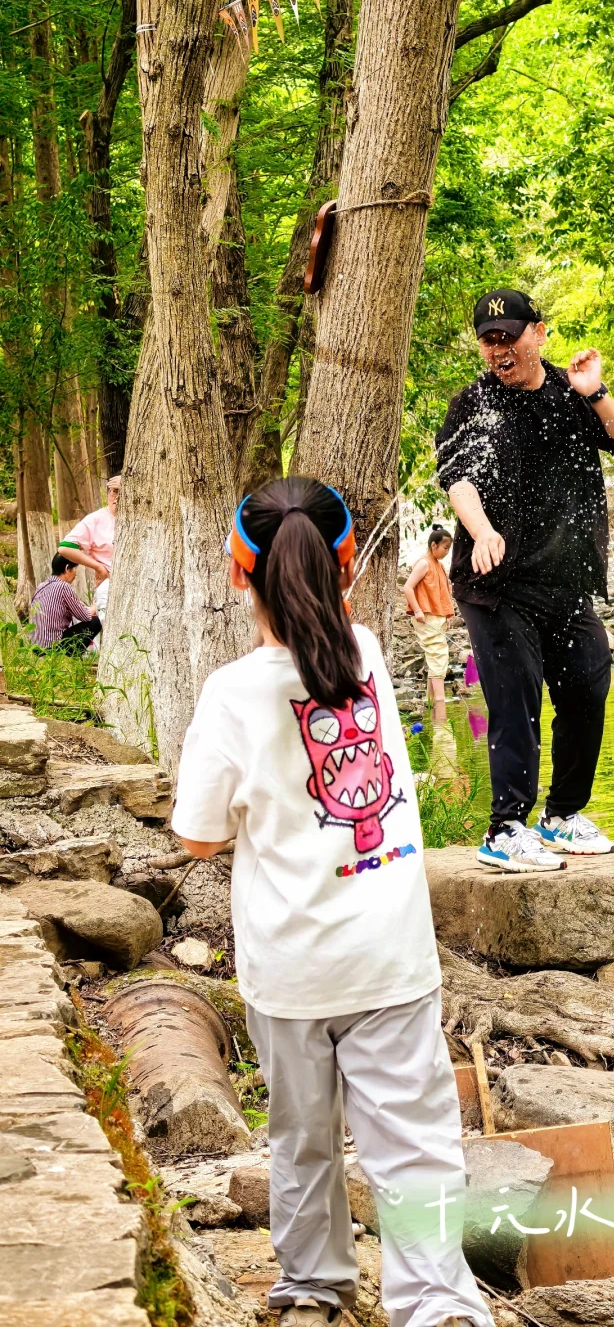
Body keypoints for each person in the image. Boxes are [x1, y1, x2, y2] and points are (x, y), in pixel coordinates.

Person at [170, 476, 493, 1327]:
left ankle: (313, 1291)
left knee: (302, 1141)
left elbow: (198, 835)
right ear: (345, 568)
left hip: (292, 965)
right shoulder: (370, 655)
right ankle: (436, 1306)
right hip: (389, 954)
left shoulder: (231, 693)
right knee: (415, 1147)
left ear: (240, 576)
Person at [435, 289, 614, 873]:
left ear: (540, 333)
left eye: (509, 336)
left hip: (567, 582)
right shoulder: (473, 406)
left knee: (586, 687)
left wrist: (596, 392)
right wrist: (479, 532)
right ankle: (506, 828)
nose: (499, 350)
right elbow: (457, 479)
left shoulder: (571, 394)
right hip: (495, 584)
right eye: (489, 339)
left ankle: (562, 817)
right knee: (516, 697)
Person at [403, 525, 454, 712]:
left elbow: (442, 593)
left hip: (437, 616)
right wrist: (417, 610)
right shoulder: (424, 563)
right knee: (438, 655)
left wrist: (447, 615)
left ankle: (432, 702)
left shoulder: (439, 566)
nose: (447, 552)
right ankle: (439, 701)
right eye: (445, 548)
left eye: (449, 549)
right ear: (434, 545)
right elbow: (408, 587)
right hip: (426, 616)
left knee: (438, 656)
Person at [58, 473, 121, 620]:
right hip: (109, 586)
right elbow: (65, 548)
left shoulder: (142, 517)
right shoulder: (97, 519)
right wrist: (98, 567)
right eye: (115, 491)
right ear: (108, 493)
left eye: (123, 491)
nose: (117, 497)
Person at [28, 554, 101, 654]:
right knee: (95, 622)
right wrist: (96, 606)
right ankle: (70, 658)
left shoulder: (41, 586)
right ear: (67, 568)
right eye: (75, 569)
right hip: (53, 647)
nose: (76, 575)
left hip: (36, 648)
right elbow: (86, 616)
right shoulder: (63, 587)